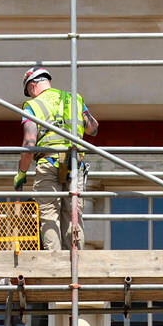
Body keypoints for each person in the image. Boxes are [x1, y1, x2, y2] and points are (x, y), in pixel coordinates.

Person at [13, 64, 99, 252]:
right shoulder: (73, 99)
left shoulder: (32, 106)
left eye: (29, 91)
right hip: (74, 164)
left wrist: (21, 172)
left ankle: (55, 264)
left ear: (32, 86)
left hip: (48, 163)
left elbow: (29, 144)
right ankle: (76, 265)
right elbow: (93, 128)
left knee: (50, 216)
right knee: (73, 215)